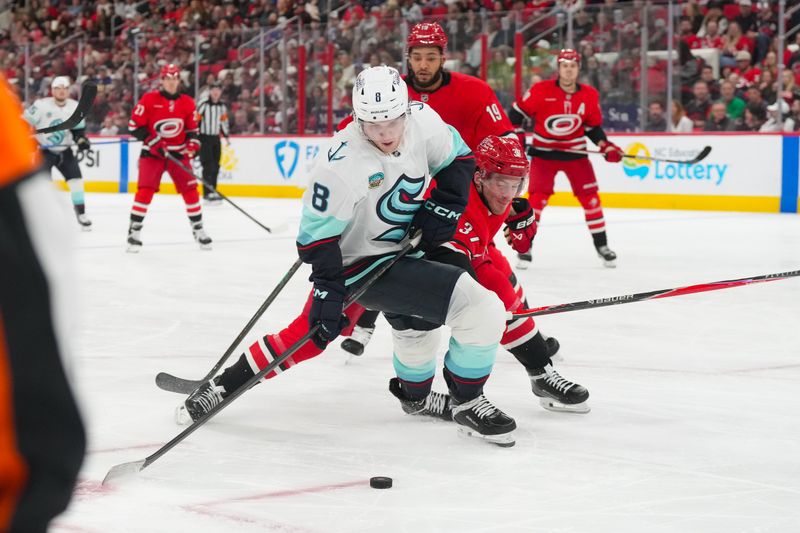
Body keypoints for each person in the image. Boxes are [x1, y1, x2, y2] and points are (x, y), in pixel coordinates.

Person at [177, 66, 517, 447]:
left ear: (407, 108)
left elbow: (458, 159)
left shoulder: (424, 120)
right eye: (373, 124)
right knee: (478, 311)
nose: (385, 133)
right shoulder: (341, 163)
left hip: (406, 250)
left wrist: (445, 206)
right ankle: (467, 401)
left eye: (392, 120)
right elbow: (316, 239)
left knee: (404, 328)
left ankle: (416, 396)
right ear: (357, 118)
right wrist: (327, 288)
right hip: (356, 263)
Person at [340, 21, 524, 356]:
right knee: (384, 260)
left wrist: (511, 196)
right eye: (417, 57)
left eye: (431, 57)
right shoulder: (392, 95)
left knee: (488, 270)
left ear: (443, 58)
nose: (423, 64)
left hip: (458, 203)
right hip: (400, 200)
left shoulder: (475, 91)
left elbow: (506, 144)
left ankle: (525, 339)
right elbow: (352, 136)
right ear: (408, 58)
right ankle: (361, 326)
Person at [431, 135, 589, 413]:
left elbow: (519, 240)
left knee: (509, 297)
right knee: (489, 306)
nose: (507, 192)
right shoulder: (458, 202)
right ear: (479, 177)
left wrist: (518, 213)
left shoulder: (492, 192)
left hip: (478, 248)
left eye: (515, 184)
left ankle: (540, 370)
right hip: (439, 255)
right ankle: (427, 396)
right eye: (501, 182)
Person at [0, 74, 86, 532]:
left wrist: (81, 136)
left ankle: (84, 209)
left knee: (74, 184)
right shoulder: (29, 110)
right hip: (38, 158)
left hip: (54, 155)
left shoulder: (67, 104)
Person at [508, 48, 624, 269]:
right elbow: (515, 116)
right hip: (544, 154)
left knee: (591, 200)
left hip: (575, 155)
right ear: (558, 69)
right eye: (565, 66)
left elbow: (592, 127)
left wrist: (605, 145)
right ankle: (526, 246)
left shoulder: (589, 94)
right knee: (538, 200)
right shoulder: (540, 90)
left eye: (573, 66)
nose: (569, 70)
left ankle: (602, 246)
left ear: (578, 68)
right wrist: (518, 134)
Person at [126, 63, 210, 252]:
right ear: (162, 80)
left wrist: (193, 144)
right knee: (145, 192)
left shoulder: (188, 102)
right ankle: (134, 232)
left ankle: (198, 229)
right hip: (153, 154)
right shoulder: (149, 100)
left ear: (179, 80)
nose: (172, 83)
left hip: (178, 155)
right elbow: (133, 126)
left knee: (191, 192)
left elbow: (192, 130)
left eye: (175, 79)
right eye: (168, 79)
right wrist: (153, 140)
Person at [23, 76, 93, 230]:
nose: (62, 91)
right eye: (58, 88)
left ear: (69, 91)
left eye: (65, 88)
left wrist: (81, 140)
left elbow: (78, 131)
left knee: (76, 182)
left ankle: (81, 214)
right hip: (45, 152)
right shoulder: (41, 106)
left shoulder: (76, 106)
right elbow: (23, 123)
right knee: (42, 188)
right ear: (52, 90)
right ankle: (40, 218)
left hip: (65, 151)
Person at [196, 82, 230, 205]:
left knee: (216, 165)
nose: (216, 92)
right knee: (208, 165)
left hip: (216, 138)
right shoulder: (203, 104)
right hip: (204, 138)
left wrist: (226, 136)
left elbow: (224, 122)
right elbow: (196, 120)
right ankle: (207, 192)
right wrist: (195, 137)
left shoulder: (222, 107)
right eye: (213, 89)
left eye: (218, 90)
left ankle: (213, 190)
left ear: (220, 92)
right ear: (210, 91)